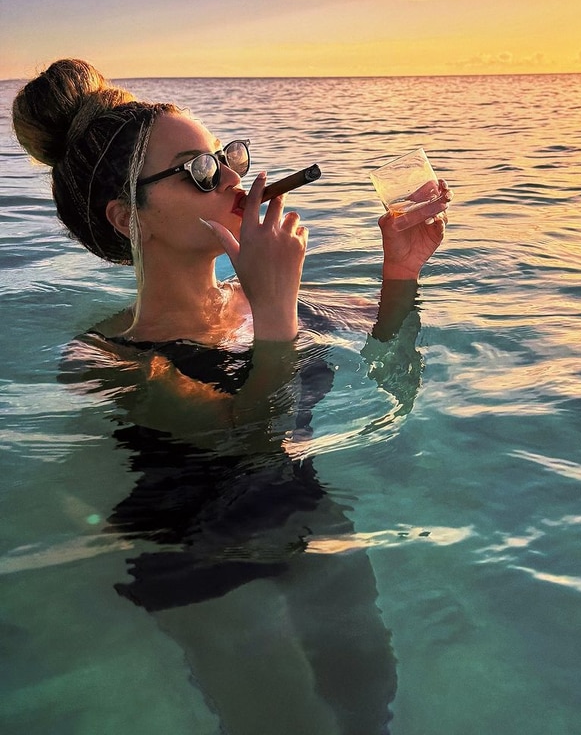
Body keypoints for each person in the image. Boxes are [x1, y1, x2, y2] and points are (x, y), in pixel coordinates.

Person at [12, 58, 451, 735]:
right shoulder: (108, 357)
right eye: (197, 170)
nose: (231, 178)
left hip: (310, 516)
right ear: (130, 218)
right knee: (282, 722)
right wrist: (276, 313)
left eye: (225, 157)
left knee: (367, 699)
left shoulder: (256, 298)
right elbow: (250, 438)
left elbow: (390, 349)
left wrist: (401, 268)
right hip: (198, 553)